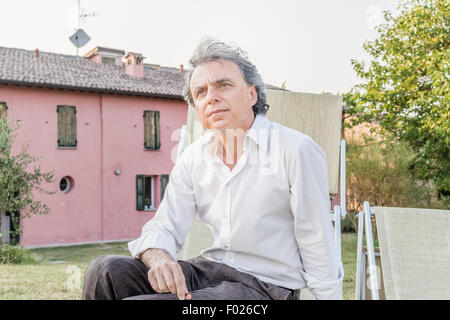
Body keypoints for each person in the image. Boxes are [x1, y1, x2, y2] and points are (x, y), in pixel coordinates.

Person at [82, 37, 343, 300]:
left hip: (265, 287)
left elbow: (316, 239)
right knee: (105, 271)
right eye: (201, 92)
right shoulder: (194, 157)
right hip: (206, 273)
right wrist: (158, 257)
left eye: (223, 85)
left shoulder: (294, 149)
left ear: (252, 94)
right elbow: (164, 226)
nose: (212, 98)